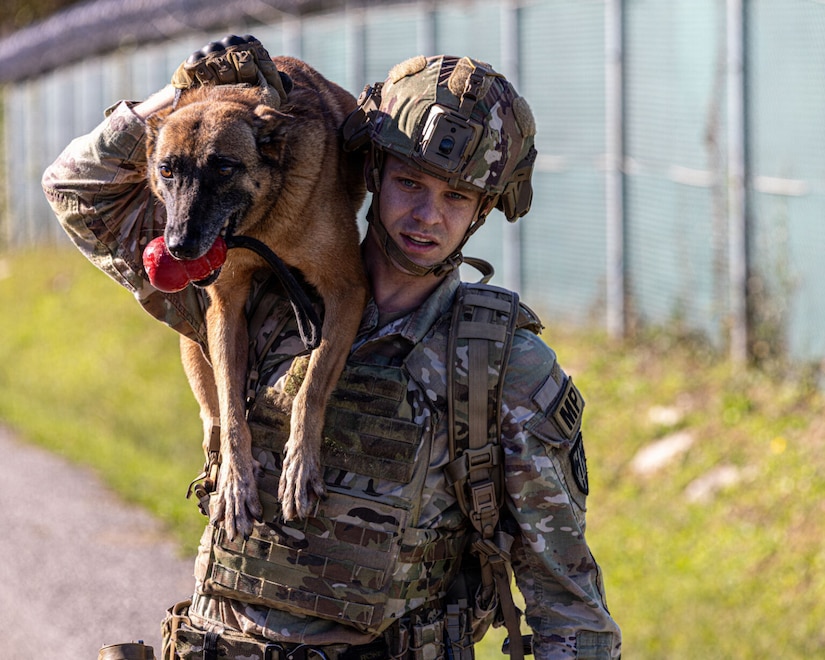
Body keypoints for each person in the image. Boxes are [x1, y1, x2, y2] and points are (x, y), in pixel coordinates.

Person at [42, 36, 621, 660]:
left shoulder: (498, 363)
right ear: (371, 171)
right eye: (409, 183)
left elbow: (567, 603)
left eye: (457, 197)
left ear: (484, 210)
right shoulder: (251, 291)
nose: (427, 215)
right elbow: (79, 186)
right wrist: (176, 95)